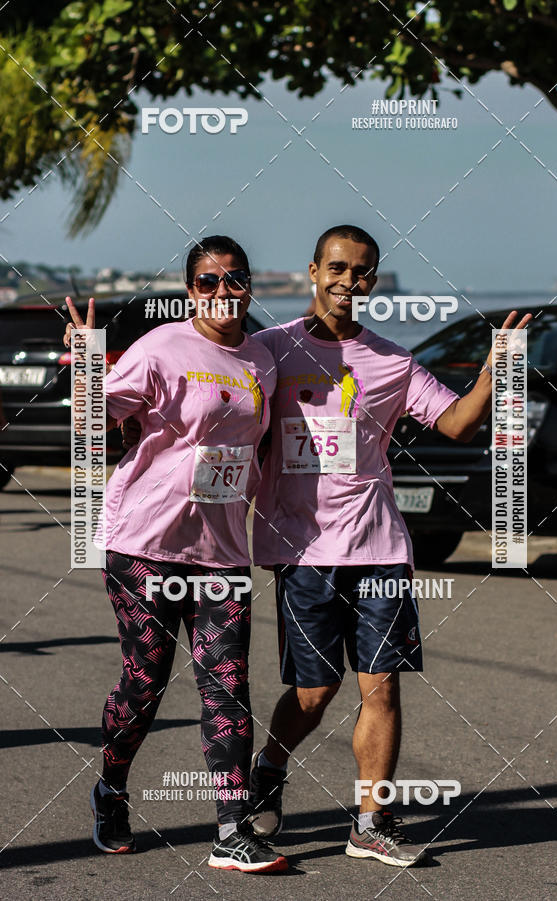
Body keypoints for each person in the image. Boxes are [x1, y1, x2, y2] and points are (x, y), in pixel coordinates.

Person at [247, 224, 531, 867]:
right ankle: (268, 768)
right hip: (305, 553)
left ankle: (371, 821)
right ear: (313, 271)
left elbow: (457, 423)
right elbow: (223, 402)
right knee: (314, 694)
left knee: (384, 688)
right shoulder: (271, 350)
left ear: (373, 280)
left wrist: (497, 369)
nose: (350, 281)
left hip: (379, 548)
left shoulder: (393, 362)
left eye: (363, 271)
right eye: (339, 268)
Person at [63, 236, 287, 873]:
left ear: (249, 285)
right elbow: (93, 419)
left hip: (220, 552)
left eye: (234, 279)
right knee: (145, 681)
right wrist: (85, 362)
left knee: (228, 687)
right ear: (191, 291)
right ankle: (111, 788)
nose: (222, 292)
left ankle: (230, 830)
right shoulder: (162, 347)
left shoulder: (262, 360)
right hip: (145, 544)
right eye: (208, 282)